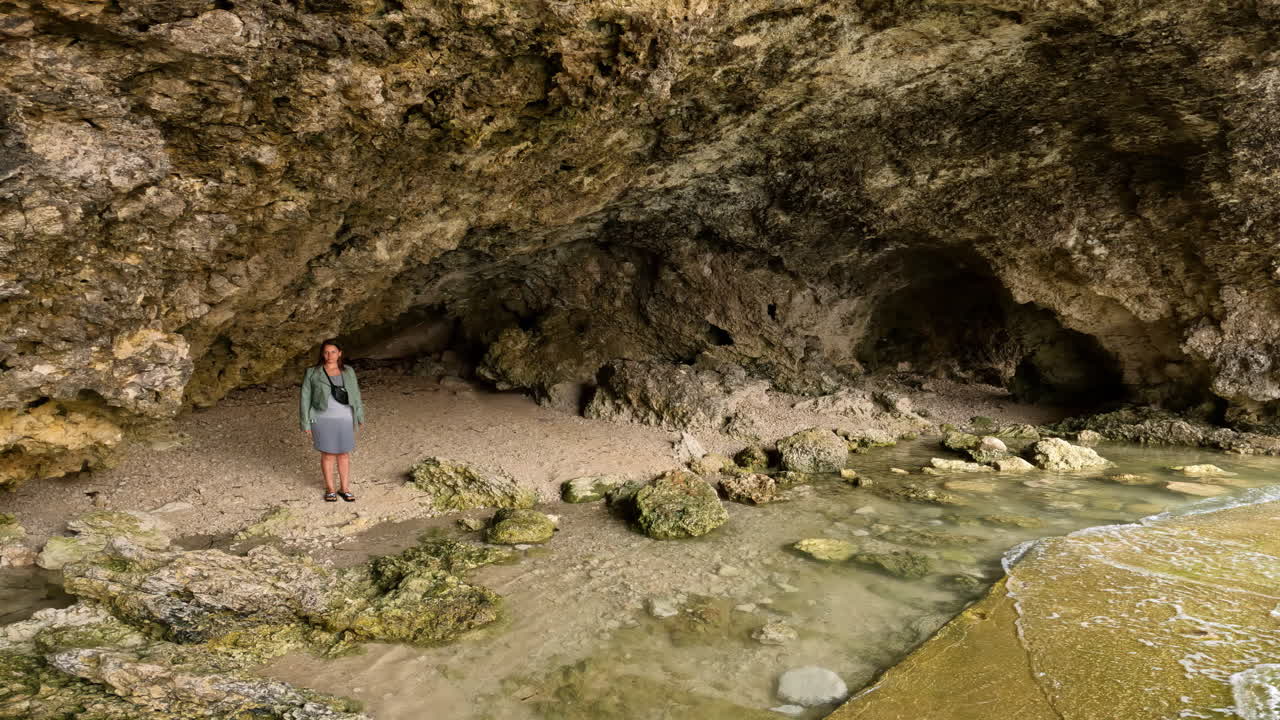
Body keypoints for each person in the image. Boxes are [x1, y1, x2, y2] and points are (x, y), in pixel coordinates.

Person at [300, 339, 365, 502]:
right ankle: (330, 489)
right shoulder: (313, 372)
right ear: (322, 354)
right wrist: (305, 422)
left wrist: (359, 416)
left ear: (340, 353)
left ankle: (345, 488)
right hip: (322, 419)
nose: (330, 355)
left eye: (333, 352)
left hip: (345, 418)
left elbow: (356, 394)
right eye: (326, 352)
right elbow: (305, 398)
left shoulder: (348, 371)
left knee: (344, 453)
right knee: (328, 454)